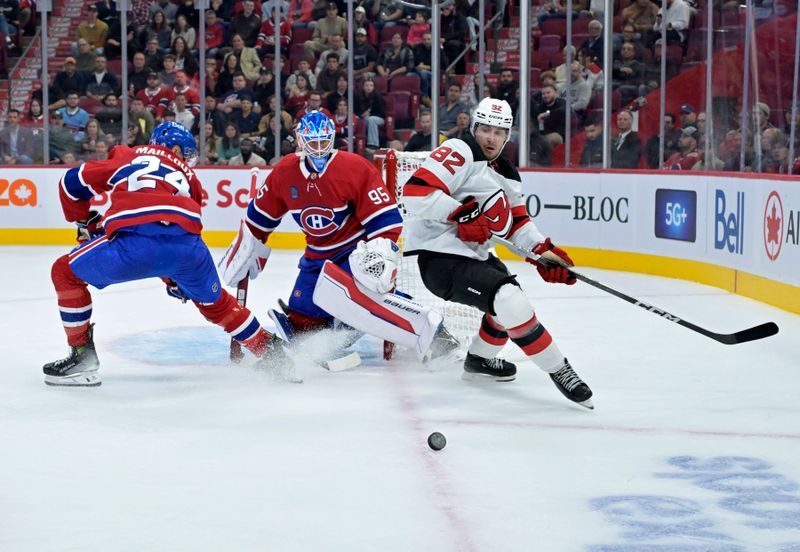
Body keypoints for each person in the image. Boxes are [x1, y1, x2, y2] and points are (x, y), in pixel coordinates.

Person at [43, 121, 289, 387]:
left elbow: (70, 183)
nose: (186, 159)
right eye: (186, 152)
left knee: (64, 272)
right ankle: (273, 354)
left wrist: (83, 221)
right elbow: (170, 233)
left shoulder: (130, 154)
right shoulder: (192, 180)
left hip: (135, 244)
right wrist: (176, 280)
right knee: (216, 303)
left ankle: (81, 357)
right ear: (173, 147)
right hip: (189, 250)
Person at [400, 97, 594, 408]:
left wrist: (542, 253)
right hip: (441, 260)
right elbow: (415, 194)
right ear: (475, 127)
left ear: (508, 135)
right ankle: (561, 370)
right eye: (486, 129)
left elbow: (516, 224)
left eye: (499, 132)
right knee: (509, 300)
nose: (491, 138)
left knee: (509, 305)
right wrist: (459, 213)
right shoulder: (458, 150)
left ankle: (478, 361)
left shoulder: (506, 173)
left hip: (475, 256)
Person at [219, 111, 458, 361]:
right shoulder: (284, 173)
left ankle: (432, 331)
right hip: (316, 256)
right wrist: (249, 247)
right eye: (313, 142)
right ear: (301, 141)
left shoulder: (353, 167)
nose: (319, 149)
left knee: (358, 296)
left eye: (324, 141)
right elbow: (259, 220)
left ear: (333, 139)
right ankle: (338, 331)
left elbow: (385, 220)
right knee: (302, 319)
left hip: (353, 252)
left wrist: (379, 254)